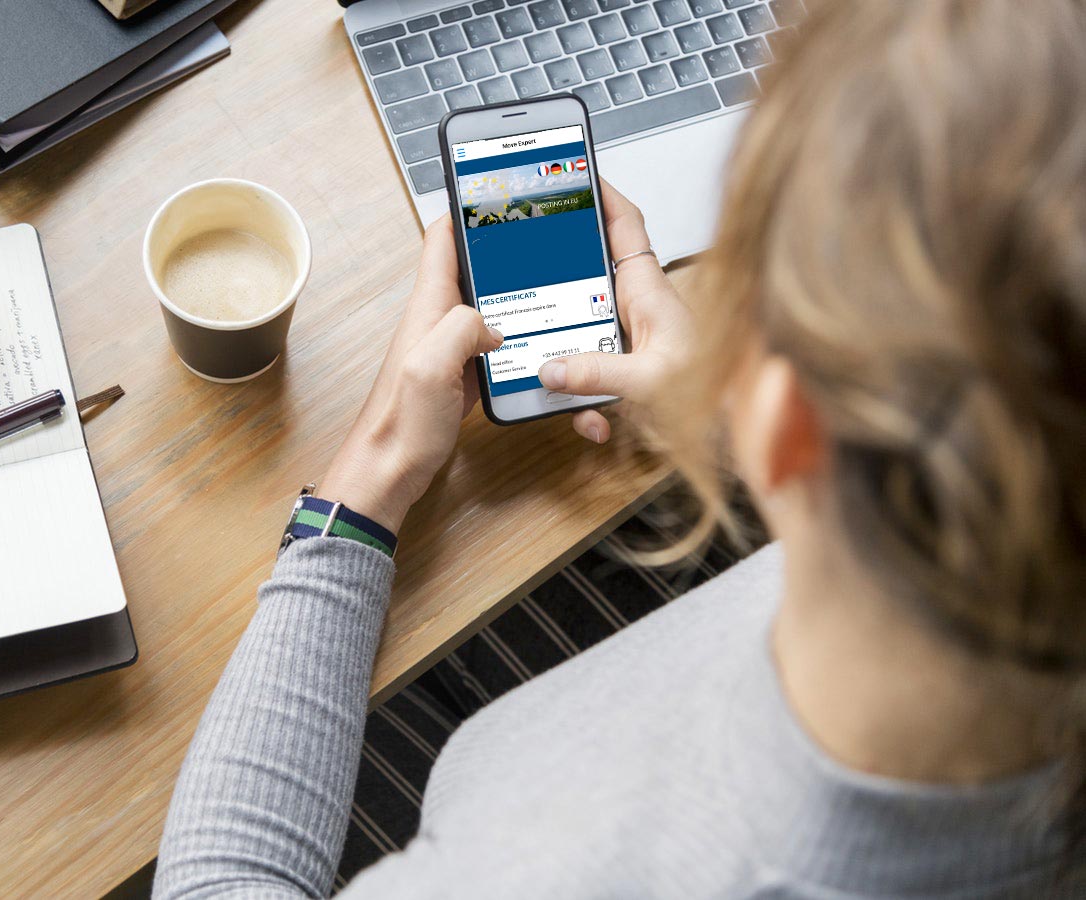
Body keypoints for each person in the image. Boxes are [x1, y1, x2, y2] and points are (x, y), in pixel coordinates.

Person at [153, 1, 1086, 896]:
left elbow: (214, 885)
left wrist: (374, 473)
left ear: (789, 421)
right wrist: (729, 420)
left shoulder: (563, 872)